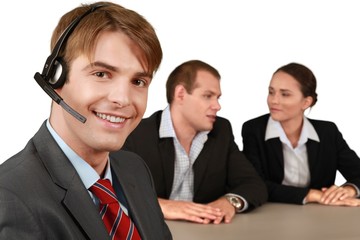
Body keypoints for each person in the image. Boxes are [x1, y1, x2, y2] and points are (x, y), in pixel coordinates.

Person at [0, 2, 172, 239]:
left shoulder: (135, 169)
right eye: (101, 74)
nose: (123, 99)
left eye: (138, 82)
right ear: (55, 79)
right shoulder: (10, 197)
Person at [113, 59, 267, 224]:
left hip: (205, 233)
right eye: (208, 96)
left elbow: (254, 184)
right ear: (180, 94)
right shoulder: (135, 133)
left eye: (217, 98)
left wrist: (230, 202)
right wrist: (159, 205)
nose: (217, 106)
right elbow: (108, 188)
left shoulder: (221, 130)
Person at [241, 62, 360, 206]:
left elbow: (357, 173)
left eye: (285, 94)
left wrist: (348, 190)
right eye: (271, 92)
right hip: (273, 214)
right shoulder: (254, 130)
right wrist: (312, 195)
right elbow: (255, 184)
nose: (274, 100)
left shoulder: (328, 132)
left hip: (321, 215)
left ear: (306, 102)